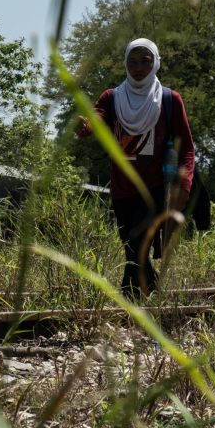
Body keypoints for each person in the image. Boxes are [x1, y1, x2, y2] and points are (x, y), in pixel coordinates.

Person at [78, 39, 195, 299]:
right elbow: (97, 116)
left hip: (154, 188)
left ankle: (128, 297)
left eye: (145, 61)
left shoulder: (169, 99)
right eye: (133, 61)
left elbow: (186, 145)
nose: (138, 67)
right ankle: (152, 297)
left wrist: (184, 185)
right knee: (131, 248)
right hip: (121, 189)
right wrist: (86, 127)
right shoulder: (113, 98)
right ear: (125, 63)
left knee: (137, 246)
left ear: (155, 63)